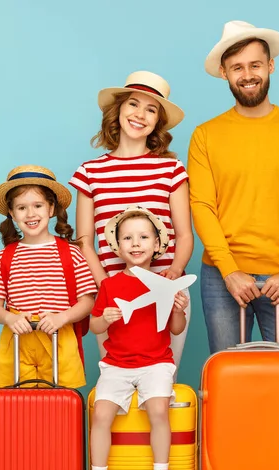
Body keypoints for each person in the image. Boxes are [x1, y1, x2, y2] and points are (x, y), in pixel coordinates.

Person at [188, 21, 279, 353]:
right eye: (237, 67)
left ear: (270, 66)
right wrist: (230, 270)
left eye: (255, 65)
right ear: (224, 73)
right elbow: (202, 206)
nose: (247, 74)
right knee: (227, 384)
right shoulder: (205, 135)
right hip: (223, 278)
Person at [70, 70, 194, 369]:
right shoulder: (90, 172)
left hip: (164, 289)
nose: (140, 114)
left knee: (163, 378)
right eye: (133, 105)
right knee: (116, 376)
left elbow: (185, 234)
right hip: (111, 289)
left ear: (157, 122)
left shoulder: (171, 169)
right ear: (119, 110)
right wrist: (106, 286)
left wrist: (175, 272)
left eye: (151, 109)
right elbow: (85, 240)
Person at [78, 206, 189, 470]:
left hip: (156, 362)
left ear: (157, 244)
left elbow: (176, 329)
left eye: (143, 237)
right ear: (118, 246)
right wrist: (106, 317)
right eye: (128, 238)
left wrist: (178, 308)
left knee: (158, 409)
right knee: (100, 415)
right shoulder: (110, 286)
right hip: (117, 365)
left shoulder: (166, 284)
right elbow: (94, 326)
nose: (136, 243)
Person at [0, 164, 97, 389]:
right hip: (18, 342)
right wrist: (9, 318)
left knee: (59, 405)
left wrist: (62, 317)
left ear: (51, 209)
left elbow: (88, 302)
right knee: (18, 407)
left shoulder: (71, 253)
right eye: (21, 207)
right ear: (12, 213)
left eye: (38, 205)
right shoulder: (3, 257)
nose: (30, 214)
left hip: (59, 338)